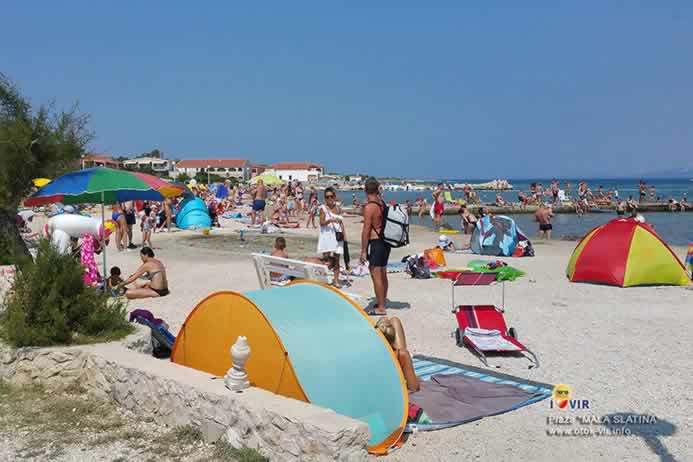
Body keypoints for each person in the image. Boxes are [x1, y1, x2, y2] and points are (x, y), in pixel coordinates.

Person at [360, 177, 389, 315]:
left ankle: (381, 307)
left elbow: (366, 230)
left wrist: (363, 251)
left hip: (376, 242)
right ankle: (382, 300)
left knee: (375, 274)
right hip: (386, 242)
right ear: (377, 189)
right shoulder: (382, 203)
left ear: (365, 190)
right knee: (383, 273)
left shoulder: (369, 207)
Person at [375, 317, 419, 392]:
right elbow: (414, 388)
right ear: (393, 341)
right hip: (396, 359)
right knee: (394, 320)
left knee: (387, 321)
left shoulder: (368, 354)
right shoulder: (402, 354)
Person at [318, 187, 344, 287]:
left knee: (337, 259)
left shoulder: (338, 208)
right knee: (326, 260)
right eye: (327, 196)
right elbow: (321, 223)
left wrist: (344, 235)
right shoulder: (323, 208)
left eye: (331, 196)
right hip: (327, 237)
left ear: (334, 196)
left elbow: (341, 223)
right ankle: (324, 279)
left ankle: (336, 280)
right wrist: (330, 220)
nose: (329, 198)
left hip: (337, 235)